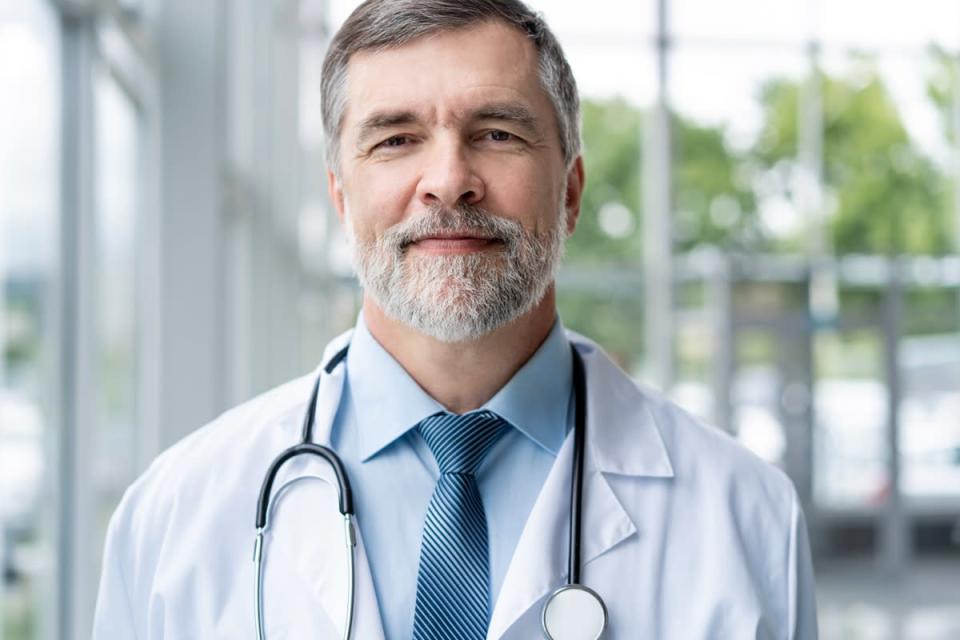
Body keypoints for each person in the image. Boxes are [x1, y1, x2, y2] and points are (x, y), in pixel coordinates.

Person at [93, 0, 818, 638]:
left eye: (497, 132)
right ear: (341, 198)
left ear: (569, 192)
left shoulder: (746, 517)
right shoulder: (175, 517)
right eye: (396, 138)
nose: (448, 180)